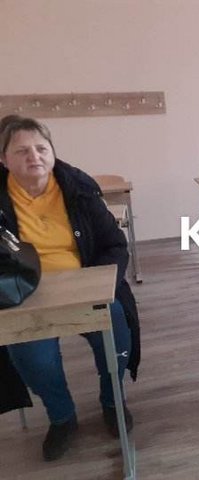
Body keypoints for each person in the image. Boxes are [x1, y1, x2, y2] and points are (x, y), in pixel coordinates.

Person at [0, 116, 140, 461]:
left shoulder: (78, 188)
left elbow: (115, 244)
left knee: (117, 336)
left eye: (41, 148)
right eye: (22, 151)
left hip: (87, 288)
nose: (34, 156)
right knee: (34, 359)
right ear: (3, 159)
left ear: (52, 152)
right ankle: (61, 416)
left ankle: (112, 400)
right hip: (25, 295)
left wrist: (99, 284)